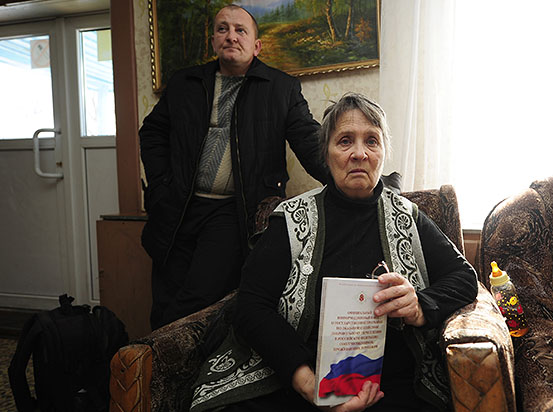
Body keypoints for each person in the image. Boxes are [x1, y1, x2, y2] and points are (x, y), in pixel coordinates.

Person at [189, 93, 478, 412]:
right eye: (345, 141)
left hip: (388, 383)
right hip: (295, 378)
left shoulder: (407, 217)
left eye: (372, 141)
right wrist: (309, 384)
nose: (359, 153)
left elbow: (464, 277)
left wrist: (420, 305)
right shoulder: (291, 219)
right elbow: (251, 306)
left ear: (383, 153)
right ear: (326, 155)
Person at [139, 5, 329, 330]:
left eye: (240, 30)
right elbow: (152, 132)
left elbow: (311, 146)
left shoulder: (281, 88)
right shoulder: (185, 83)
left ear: (256, 45)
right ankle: (157, 358)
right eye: (222, 29)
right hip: (176, 208)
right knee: (165, 299)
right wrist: (160, 184)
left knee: (195, 300)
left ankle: (170, 357)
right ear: (213, 41)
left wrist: (354, 177)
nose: (231, 36)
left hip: (233, 213)